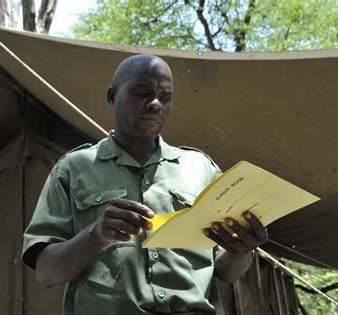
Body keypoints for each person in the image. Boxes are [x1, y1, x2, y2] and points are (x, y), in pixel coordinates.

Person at [22, 54, 268, 314]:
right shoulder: (74, 168)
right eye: (142, 93)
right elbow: (47, 273)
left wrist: (242, 250)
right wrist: (96, 234)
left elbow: (225, 271)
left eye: (165, 97)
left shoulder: (200, 169)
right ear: (112, 96)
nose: (155, 104)